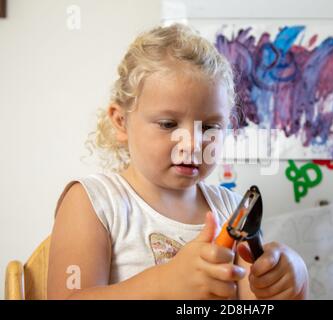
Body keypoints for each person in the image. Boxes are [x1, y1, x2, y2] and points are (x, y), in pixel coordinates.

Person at [47, 23, 309, 300]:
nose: (194, 143)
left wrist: (294, 280)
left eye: (209, 127)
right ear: (121, 121)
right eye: (169, 124)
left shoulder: (230, 209)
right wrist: (165, 284)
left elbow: (255, 302)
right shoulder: (94, 202)